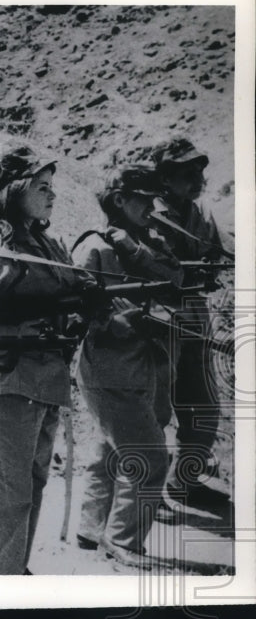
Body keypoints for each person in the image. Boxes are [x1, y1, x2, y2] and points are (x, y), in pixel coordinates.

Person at [0, 146, 95, 575]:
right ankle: (0, 578)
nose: (52, 195)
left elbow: (72, 294)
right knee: (8, 490)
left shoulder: (50, 245)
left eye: (52, 187)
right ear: (15, 192)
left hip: (46, 379)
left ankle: (15, 567)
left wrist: (84, 303)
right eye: (42, 187)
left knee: (35, 481)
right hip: (9, 380)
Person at [72, 165, 183, 568]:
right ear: (119, 200)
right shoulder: (94, 248)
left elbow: (177, 280)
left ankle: (90, 530)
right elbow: (69, 311)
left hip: (143, 366)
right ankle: (123, 542)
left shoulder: (145, 243)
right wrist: (109, 323)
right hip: (110, 370)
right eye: (143, 199)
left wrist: (137, 251)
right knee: (150, 459)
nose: (151, 208)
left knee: (112, 451)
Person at [149, 138, 230, 511]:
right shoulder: (145, 211)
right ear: (164, 177)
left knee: (204, 409)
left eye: (199, 170)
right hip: (158, 326)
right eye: (186, 172)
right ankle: (143, 497)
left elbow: (220, 251)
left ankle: (184, 483)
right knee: (154, 413)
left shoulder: (201, 213)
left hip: (197, 322)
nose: (197, 178)